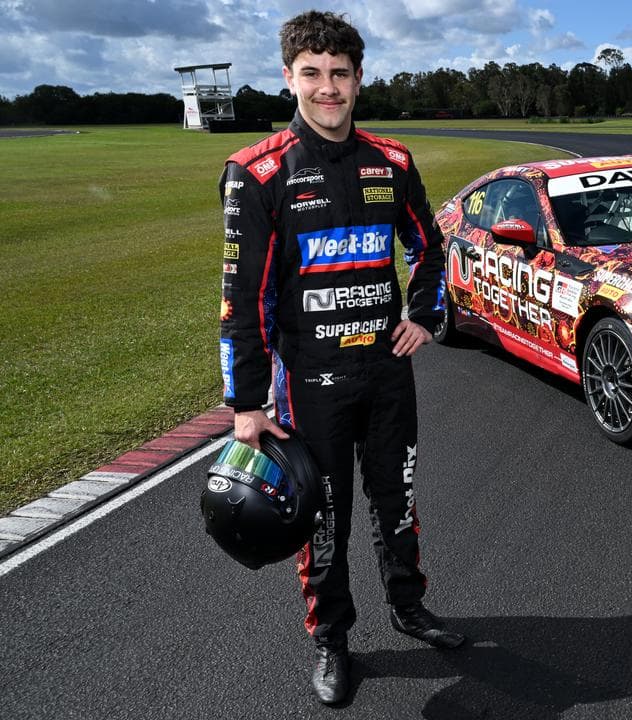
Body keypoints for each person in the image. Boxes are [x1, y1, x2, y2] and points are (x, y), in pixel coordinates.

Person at [218, 10, 463, 705]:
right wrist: (247, 404)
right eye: (313, 74)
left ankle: (408, 606)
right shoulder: (256, 172)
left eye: (340, 75)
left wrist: (423, 314)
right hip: (311, 383)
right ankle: (331, 637)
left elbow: (431, 247)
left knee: (398, 501)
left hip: (387, 376)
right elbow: (241, 300)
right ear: (288, 77)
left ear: (359, 79)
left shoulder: (392, 161)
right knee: (324, 518)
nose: (328, 89)